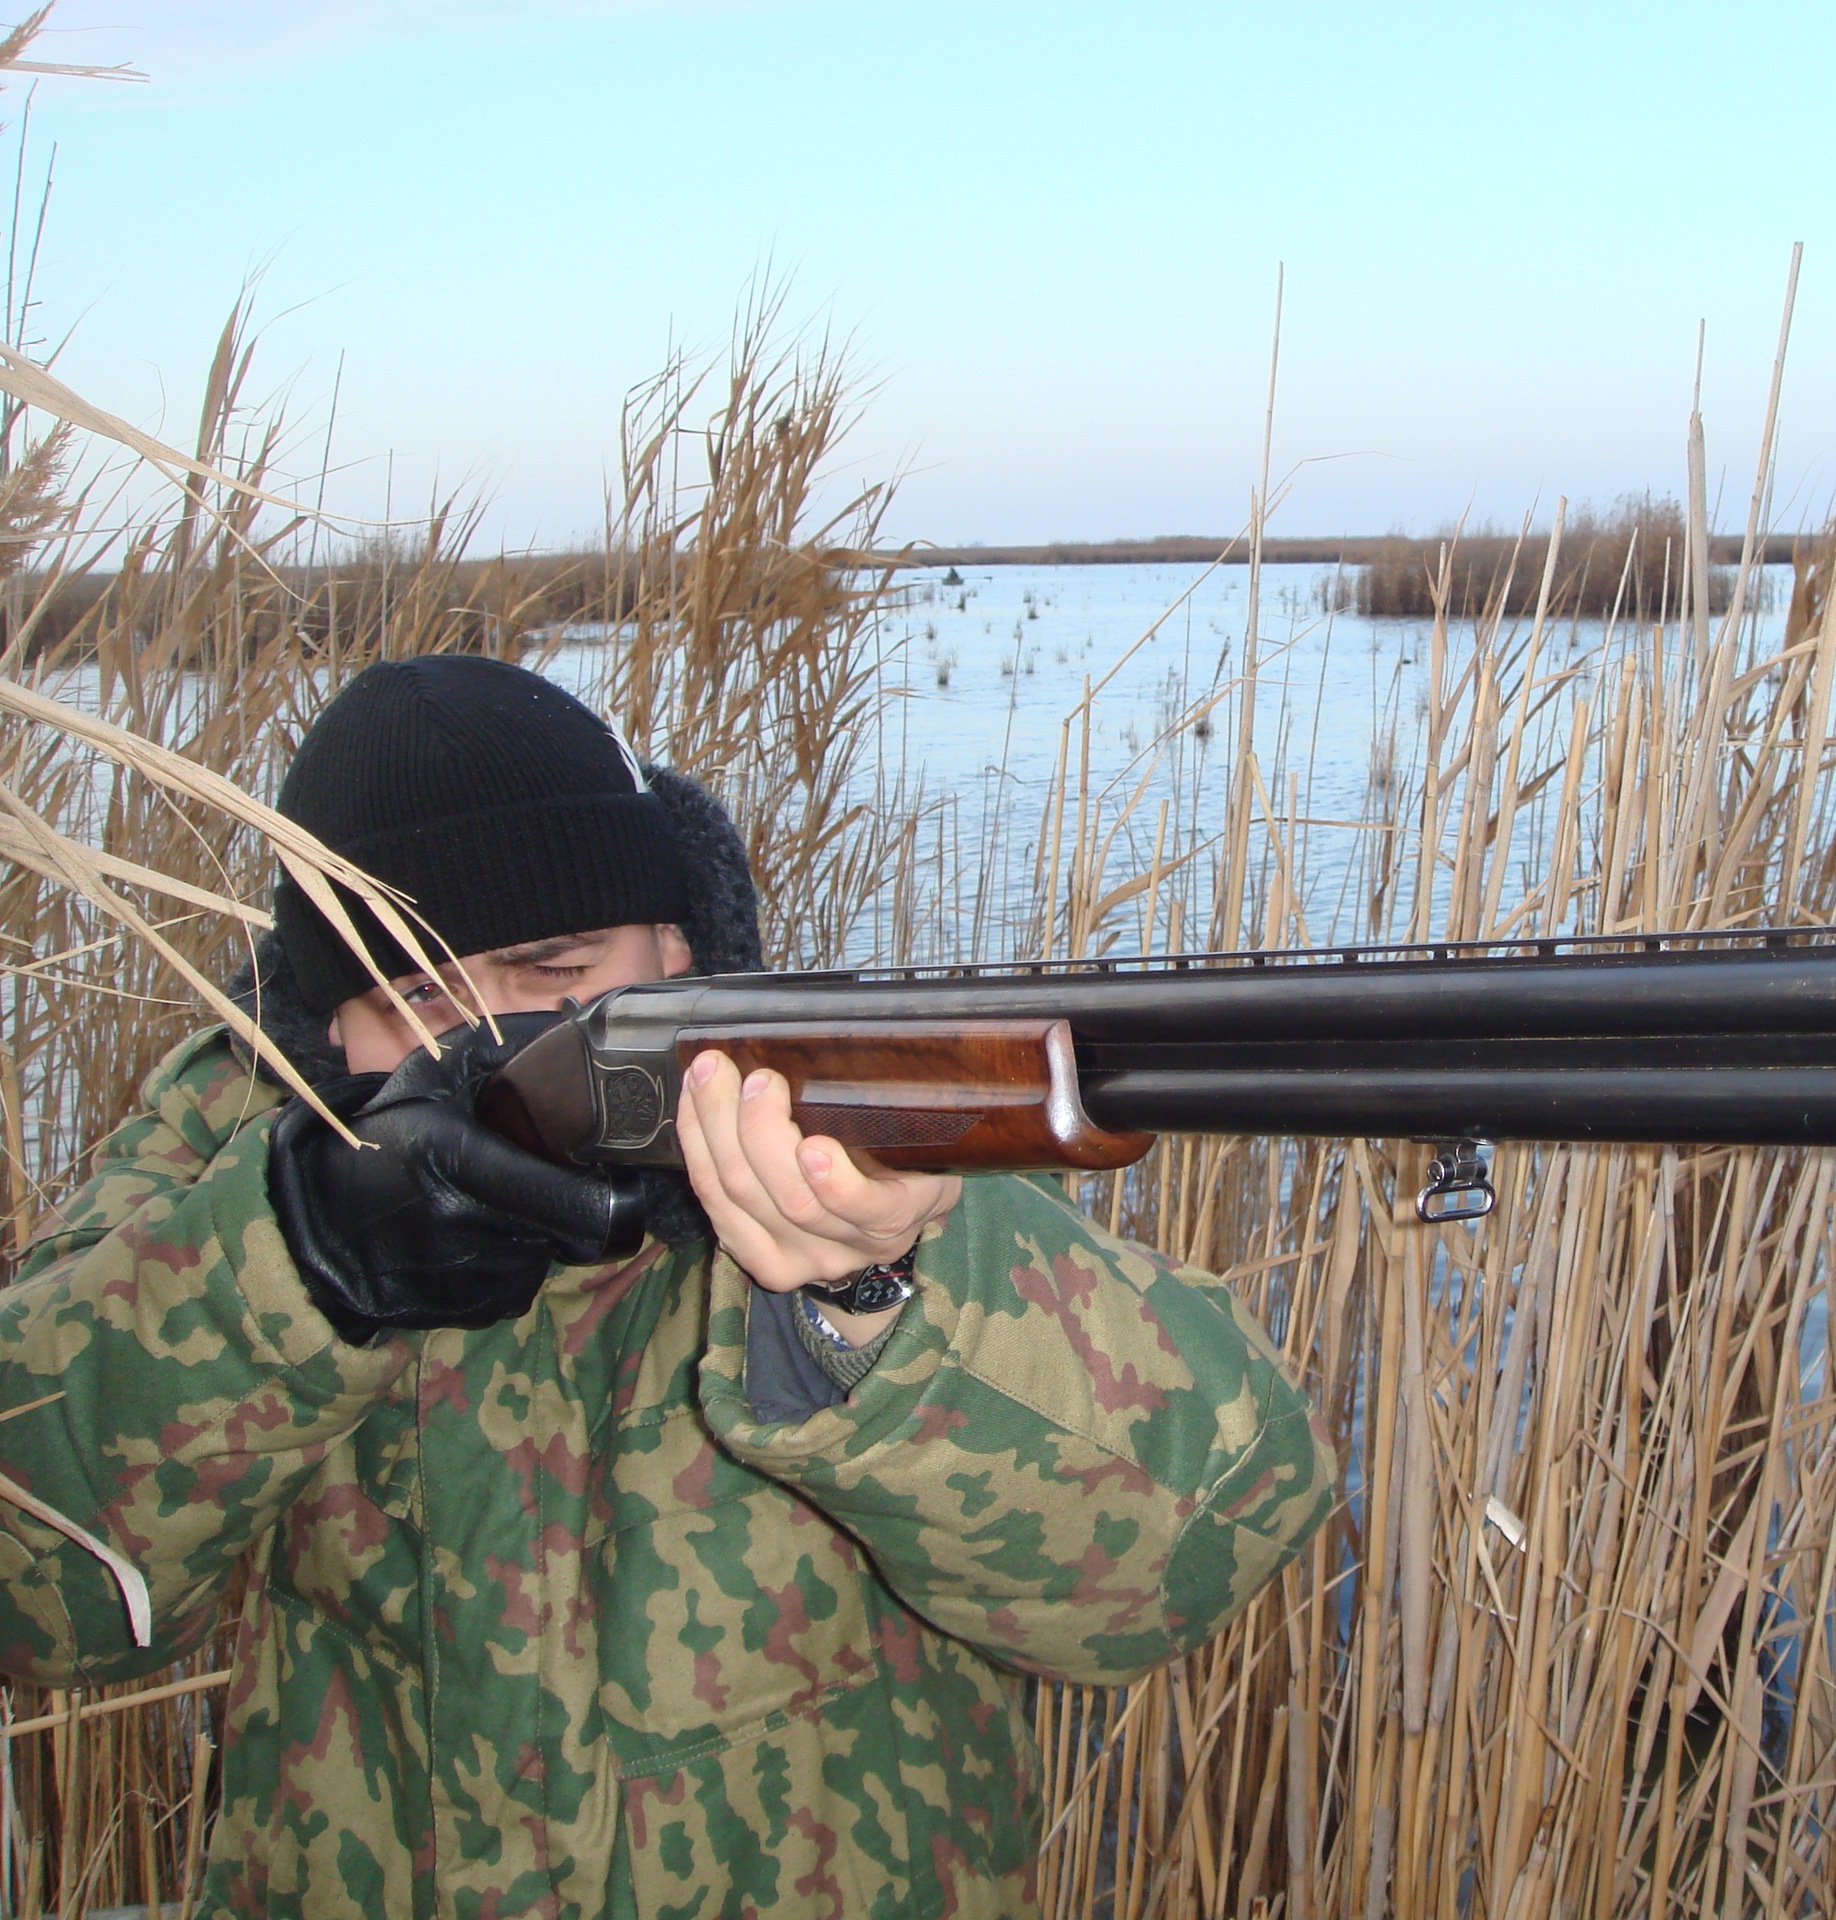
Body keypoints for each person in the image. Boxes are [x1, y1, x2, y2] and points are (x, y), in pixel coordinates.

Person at [0, 655, 1337, 1917]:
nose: (491, 1038)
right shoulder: (227, 1161)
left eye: (557, 974)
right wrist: (296, 1270)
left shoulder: (836, 1129)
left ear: (673, 949)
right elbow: (34, 1596)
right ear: (322, 1021)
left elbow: (1208, 1544)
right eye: (414, 999)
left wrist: (877, 1291)